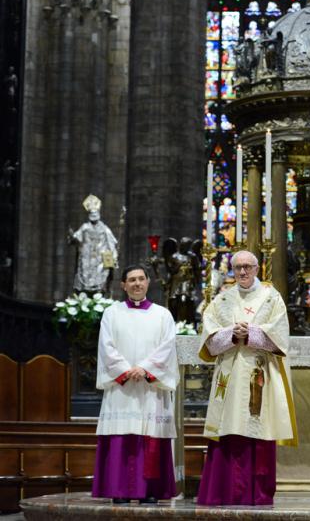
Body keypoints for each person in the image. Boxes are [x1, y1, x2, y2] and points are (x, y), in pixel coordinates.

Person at [196, 250, 298, 506]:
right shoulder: (221, 300)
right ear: (232, 270)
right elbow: (208, 340)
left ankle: (257, 494)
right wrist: (233, 334)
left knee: (257, 429)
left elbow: (281, 336)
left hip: (258, 373)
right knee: (228, 428)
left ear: (257, 268)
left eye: (247, 267)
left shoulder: (271, 297)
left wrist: (250, 333)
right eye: (238, 267)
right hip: (229, 375)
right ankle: (224, 491)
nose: (243, 272)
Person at [92, 265, 178, 504]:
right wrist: (125, 370)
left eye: (141, 279)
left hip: (150, 388)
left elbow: (168, 346)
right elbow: (106, 346)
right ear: (123, 285)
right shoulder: (112, 313)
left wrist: (146, 369)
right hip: (123, 388)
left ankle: (150, 491)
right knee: (122, 436)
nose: (137, 283)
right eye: (132, 280)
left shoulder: (162, 315)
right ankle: (119, 490)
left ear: (148, 282)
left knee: (149, 437)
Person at [68, 194, 119, 294]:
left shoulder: (104, 229)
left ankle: (99, 295)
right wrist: (72, 236)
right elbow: (76, 239)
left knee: (100, 282)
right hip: (86, 259)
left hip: (99, 259)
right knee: (84, 281)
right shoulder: (85, 227)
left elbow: (111, 242)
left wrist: (114, 256)